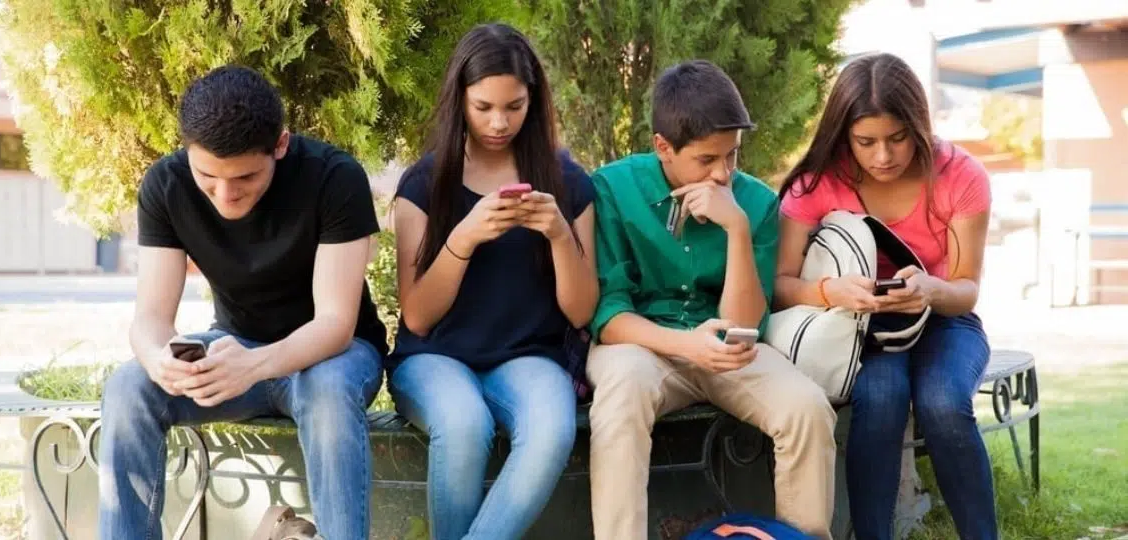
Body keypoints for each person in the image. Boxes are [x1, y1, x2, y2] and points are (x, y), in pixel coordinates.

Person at [97, 66, 388, 540]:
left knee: (328, 394)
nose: (225, 194)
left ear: (281, 144)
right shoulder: (166, 185)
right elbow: (150, 318)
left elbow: (336, 322)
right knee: (129, 388)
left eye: (246, 177)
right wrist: (158, 359)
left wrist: (253, 365)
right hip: (236, 350)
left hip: (336, 354)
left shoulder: (336, 178)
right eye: (207, 176)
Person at [587, 59, 837, 540]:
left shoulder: (758, 203)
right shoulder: (614, 189)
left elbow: (746, 323)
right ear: (663, 147)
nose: (723, 173)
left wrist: (737, 227)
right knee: (622, 395)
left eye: (733, 156)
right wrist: (685, 346)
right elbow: (609, 315)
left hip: (729, 348)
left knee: (806, 408)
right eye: (707, 159)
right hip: (640, 346)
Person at [387, 23, 598, 540]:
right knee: (462, 427)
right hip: (433, 358)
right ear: (459, 99)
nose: (499, 122)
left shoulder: (568, 183)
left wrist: (558, 235)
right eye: (483, 107)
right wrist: (463, 236)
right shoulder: (423, 184)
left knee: (551, 429)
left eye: (514, 106)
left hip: (529, 358)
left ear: (534, 101)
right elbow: (417, 316)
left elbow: (580, 312)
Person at [773, 52, 996, 540]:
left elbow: (966, 290)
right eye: (865, 142)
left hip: (944, 320)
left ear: (917, 125)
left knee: (942, 400)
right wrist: (831, 292)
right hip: (857, 327)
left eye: (897, 138)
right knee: (881, 396)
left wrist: (932, 290)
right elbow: (781, 285)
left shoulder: (959, 175)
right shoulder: (817, 183)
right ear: (843, 135)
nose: (883, 156)